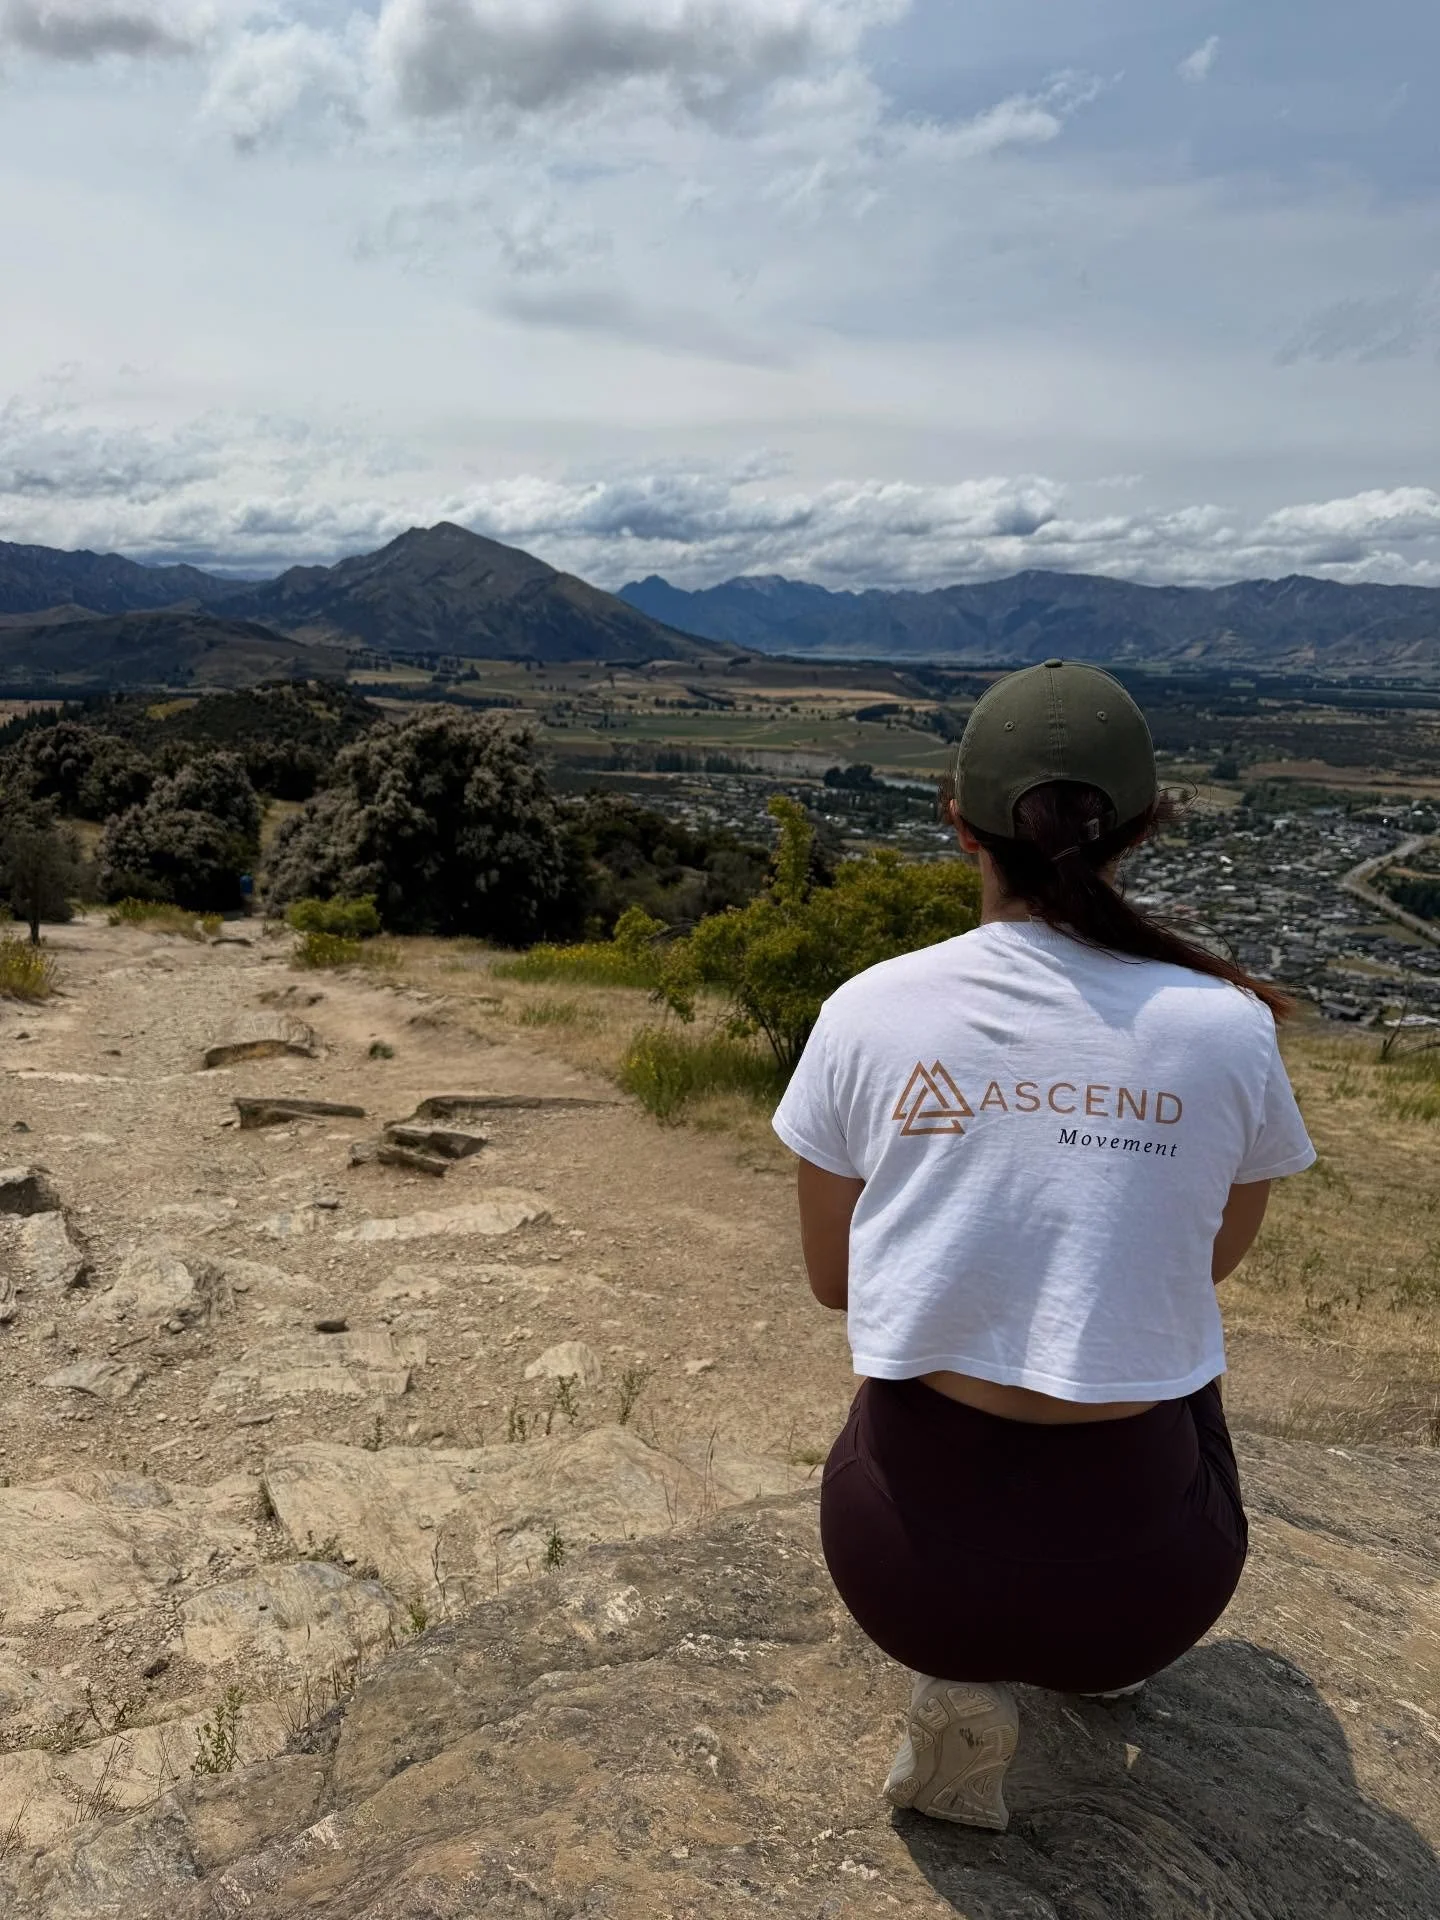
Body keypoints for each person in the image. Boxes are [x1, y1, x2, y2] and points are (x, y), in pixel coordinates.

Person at [771, 659, 1315, 1833]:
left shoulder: (869, 1009)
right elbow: (1194, 1267)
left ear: (953, 819)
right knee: (1185, 1350)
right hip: (1144, 1594)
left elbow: (836, 1283)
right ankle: (1092, 1669)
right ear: (1141, 828)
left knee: (902, 1351)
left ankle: (959, 1681)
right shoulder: (1225, 1029)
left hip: (902, 1576)